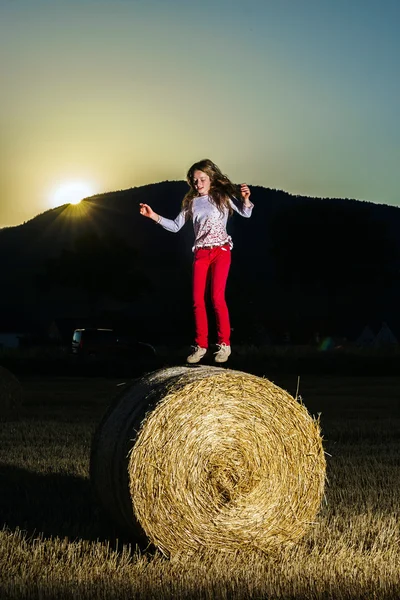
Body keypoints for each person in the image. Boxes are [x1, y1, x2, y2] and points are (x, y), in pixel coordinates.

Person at [139, 159, 253, 364]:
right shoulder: (191, 202)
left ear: (211, 179)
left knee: (217, 298)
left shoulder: (223, 196)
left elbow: (246, 213)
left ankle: (224, 345)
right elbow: (175, 226)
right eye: (195, 181)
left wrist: (245, 199)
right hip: (201, 253)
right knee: (197, 300)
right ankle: (200, 346)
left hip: (221, 250)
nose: (198, 184)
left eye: (202, 179)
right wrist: (153, 216)